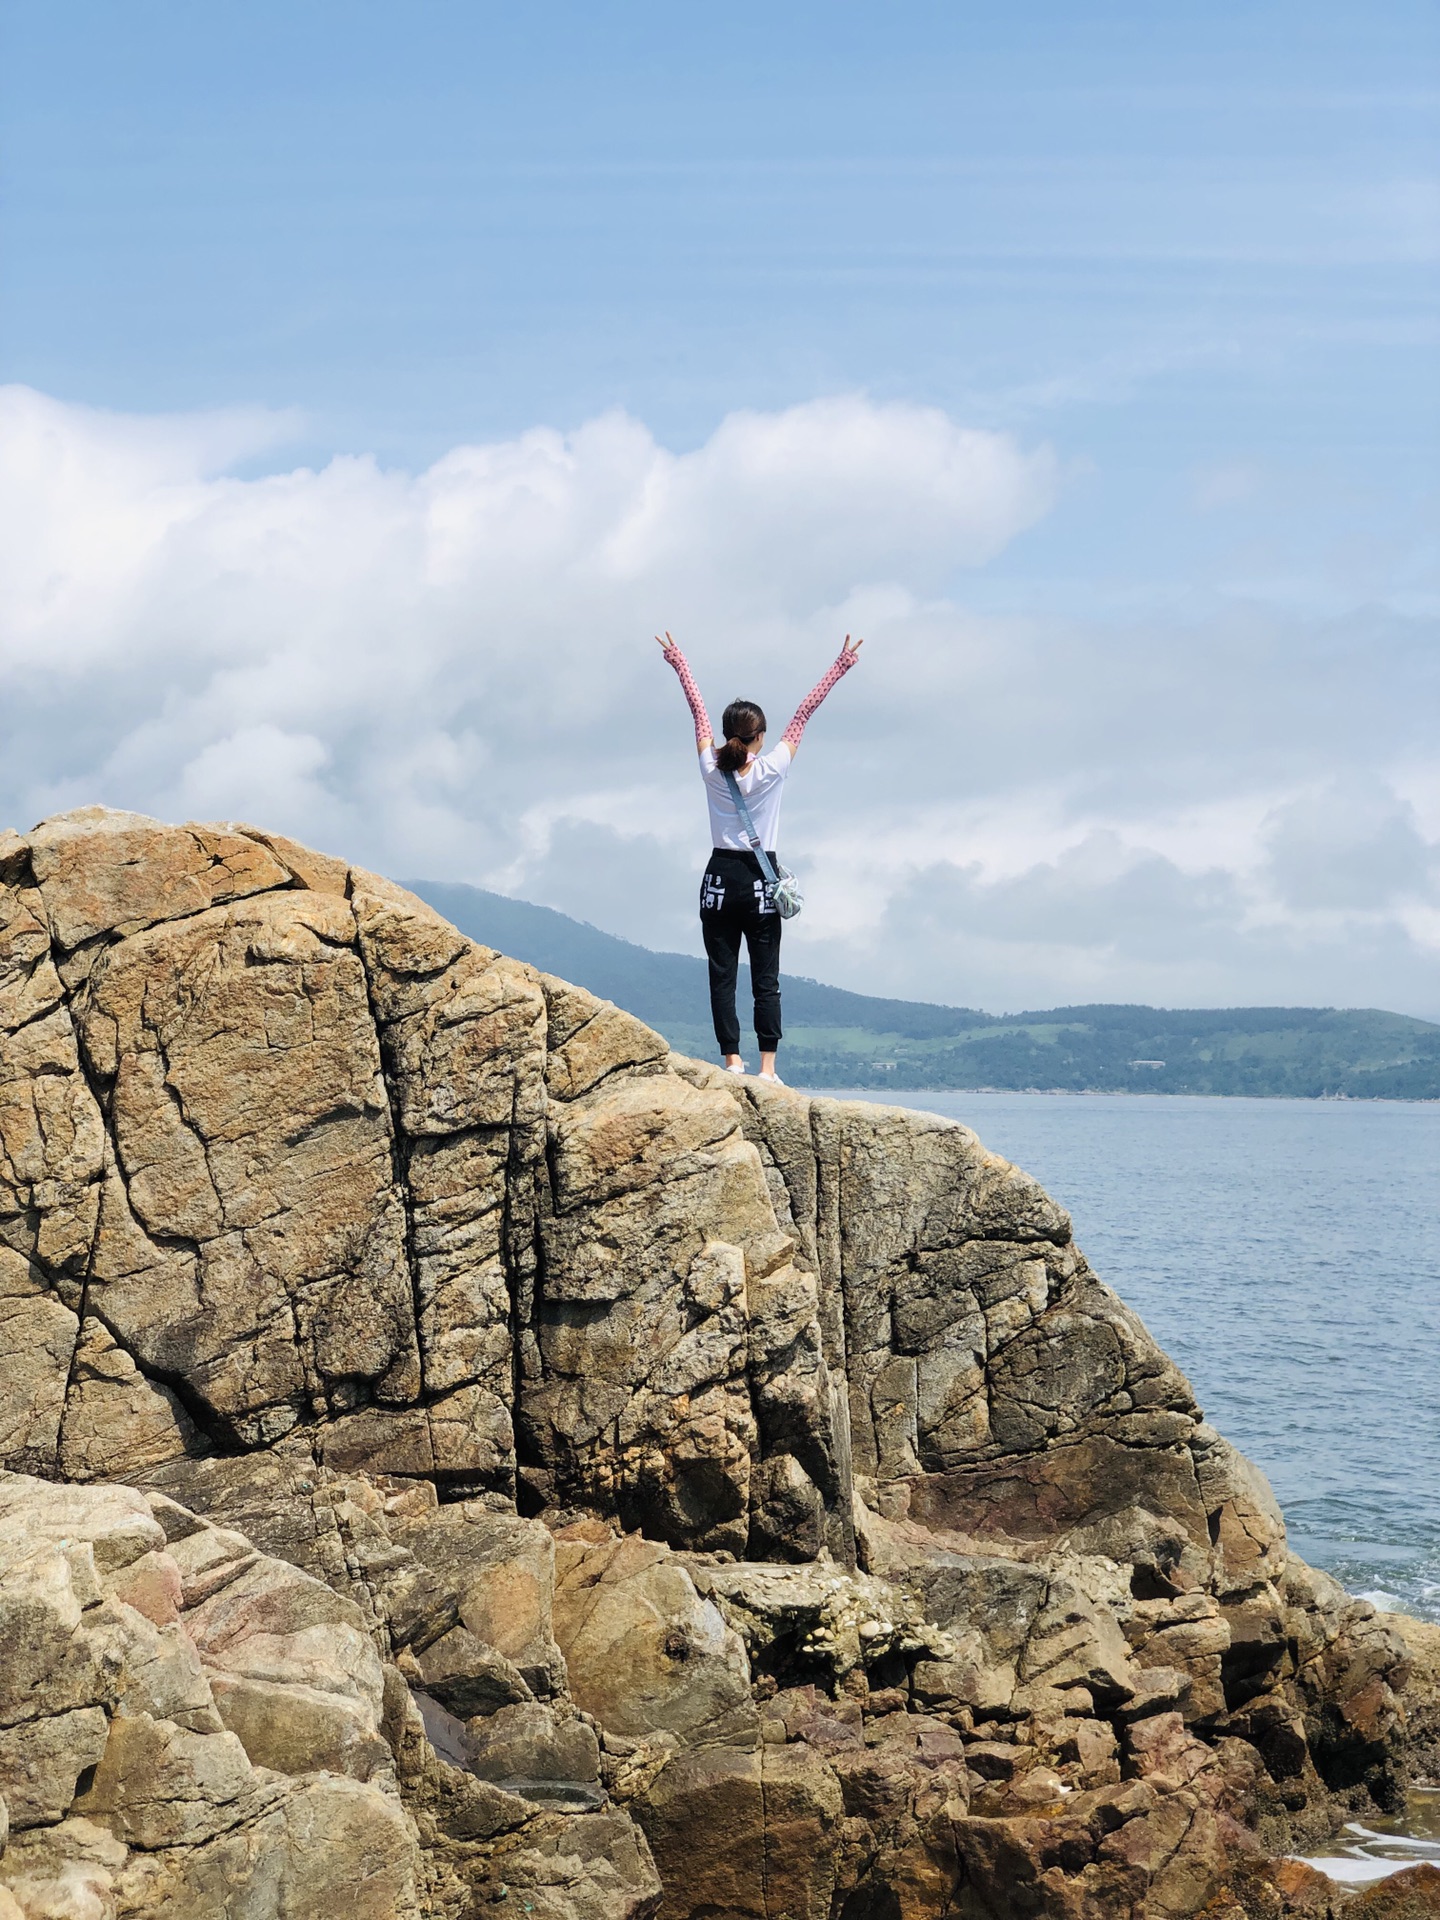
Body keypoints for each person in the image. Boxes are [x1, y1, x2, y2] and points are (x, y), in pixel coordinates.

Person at [657, 631, 863, 1083]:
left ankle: (732, 1062)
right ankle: (768, 1069)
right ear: (760, 737)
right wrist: (840, 665)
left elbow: (697, 710)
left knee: (721, 976)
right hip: (759, 880)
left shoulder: (710, 767)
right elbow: (804, 713)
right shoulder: (774, 768)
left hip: (717, 880)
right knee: (765, 979)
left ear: (730, 736)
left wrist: (679, 662)